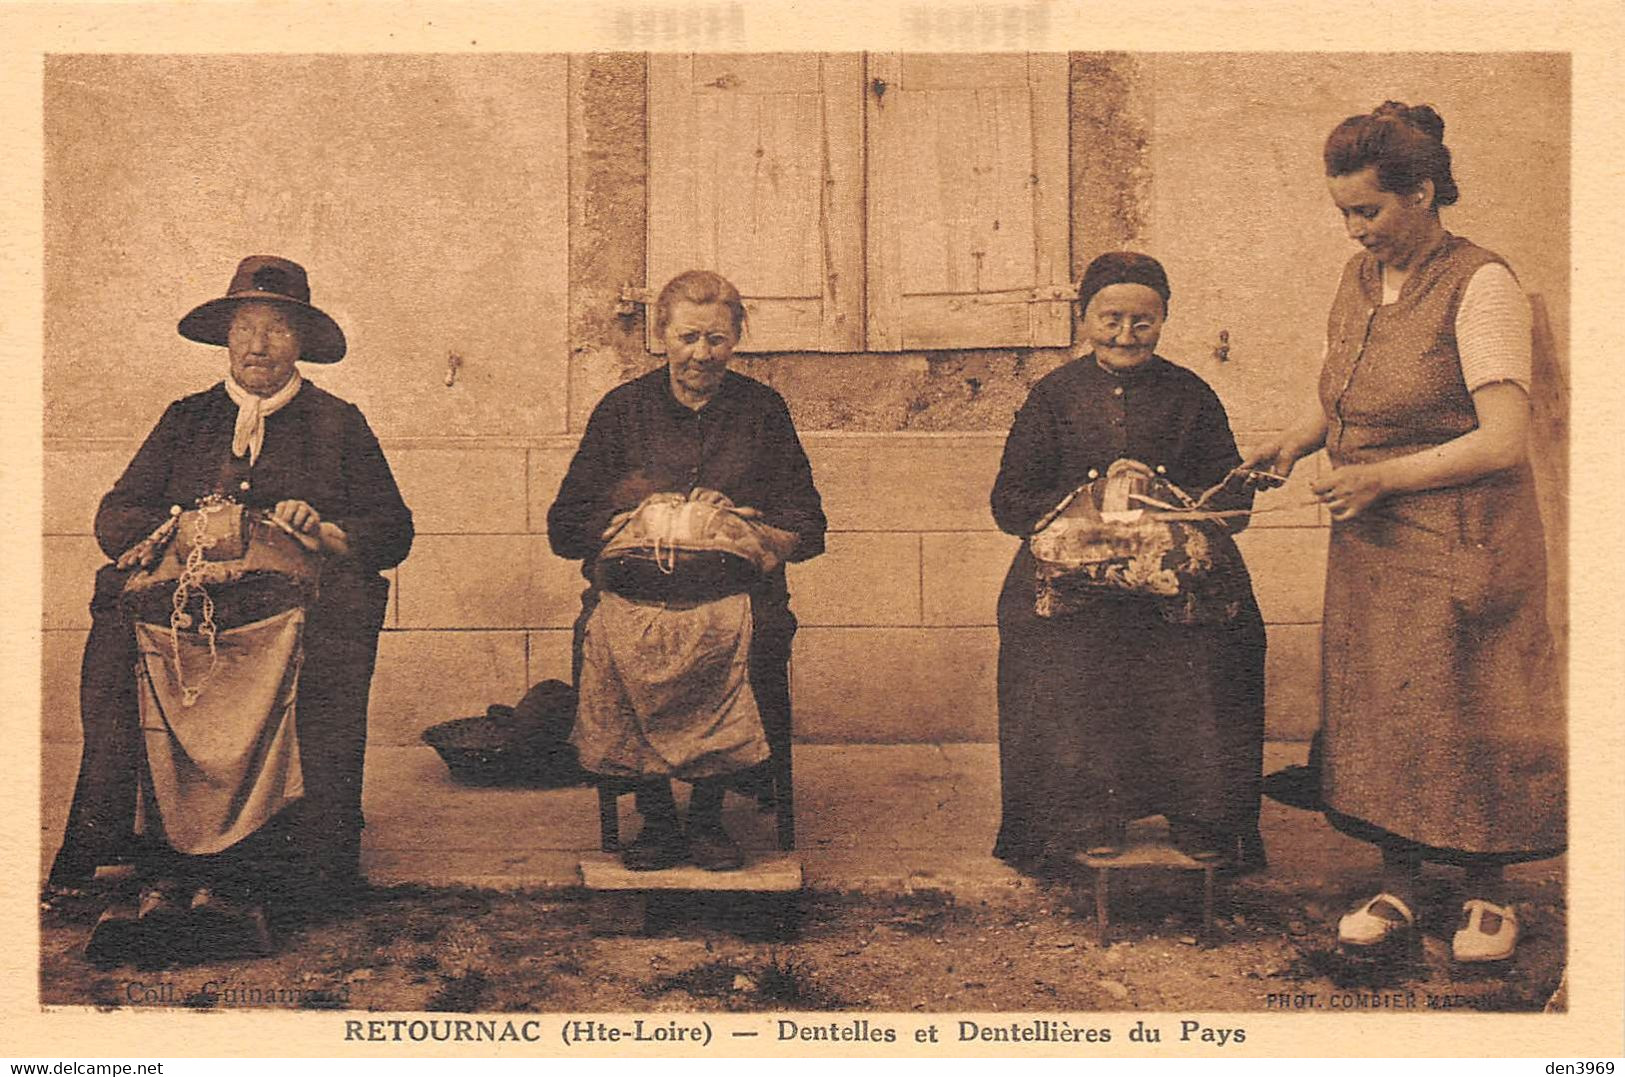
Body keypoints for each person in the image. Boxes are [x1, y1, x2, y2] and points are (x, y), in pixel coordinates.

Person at [1243, 102, 1565, 964]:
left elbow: (1501, 438)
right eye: (1343, 213)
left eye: (1368, 211)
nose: (1355, 231)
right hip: (1373, 540)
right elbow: (1346, 389)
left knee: (1465, 708)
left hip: (1465, 537)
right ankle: (1401, 881)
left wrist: (1382, 475)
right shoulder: (1357, 282)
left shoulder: (1480, 284)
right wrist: (1296, 436)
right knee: (1384, 710)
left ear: (1422, 193)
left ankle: (1487, 895)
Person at [47, 255, 413, 956]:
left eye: (276, 329)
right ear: (226, 337)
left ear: (300, 340)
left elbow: (392, 529)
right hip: (185, 627)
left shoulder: (337, 423)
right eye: (246, 327)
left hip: (288, 630)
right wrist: (177, 527)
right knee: (124, 627)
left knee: (319, 643)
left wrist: (328, 531)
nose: (258, 346)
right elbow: (115, 515)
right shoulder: (186, 420)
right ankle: (161, 855)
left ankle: (264, 865)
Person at [991, 251, 1267, 874]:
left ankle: (1203, 815)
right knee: (1064, 645)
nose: (1124, 335)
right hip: (1073, 581)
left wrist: (1167, 495)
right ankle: (1088, 813)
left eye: (1142, 322)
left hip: (1176, 581)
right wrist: (1089, 497)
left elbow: (1231, 503)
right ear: (1083, 317)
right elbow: (1009, 502)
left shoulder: (1192, 394)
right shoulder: (1053, 396)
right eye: (1109, 318)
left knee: (1220, 643)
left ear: (1164, 318)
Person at [547, 270, 826, 872]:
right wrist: (634, 516)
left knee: (746, 637)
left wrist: (746, 521)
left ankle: (706, 815)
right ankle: (654, 816)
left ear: (737, 340)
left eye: (717, 339)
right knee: (610, 639)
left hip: (736, 593)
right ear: (662, 335)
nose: (702, 354)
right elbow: (564, 524)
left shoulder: (762, 411)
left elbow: (808, 520)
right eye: (688, 337)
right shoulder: (623, 411)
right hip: (634, 593)